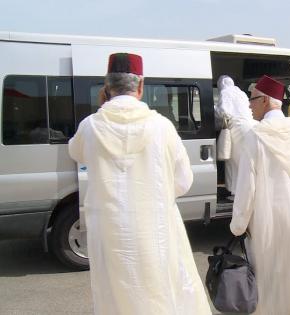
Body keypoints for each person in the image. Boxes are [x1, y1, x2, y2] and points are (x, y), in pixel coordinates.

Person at [68, 53, 211, 315]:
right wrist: (156, 195)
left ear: (106, 86)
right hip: (153, 229)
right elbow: (184, 180)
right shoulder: (162, 126)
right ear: (141, 85)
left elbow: (75, 152)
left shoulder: (90, 127)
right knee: (158, 294)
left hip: (109, 233)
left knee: (115, 297)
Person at [230, 75, 290, 315]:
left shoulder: (255, 136)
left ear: (266, 101)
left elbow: (246, 187)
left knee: (269, 282)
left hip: (266, 222)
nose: (249, 104)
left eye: (253, 99)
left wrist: (238, 225)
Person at [215, 75, 257, 195]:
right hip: (251, 126)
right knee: (245, 161)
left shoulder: (225, 92)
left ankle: (235, 193)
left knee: (232, 162)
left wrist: (213, 109)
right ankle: (248, 191)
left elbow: (224, 112)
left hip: (237, 129)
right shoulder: (241, 93)